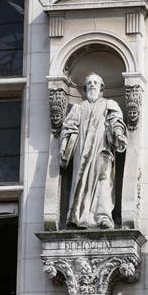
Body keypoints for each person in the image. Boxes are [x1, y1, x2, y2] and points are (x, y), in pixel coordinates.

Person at [59, 73, 128, 229]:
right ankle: (78, 216)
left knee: (103, 180)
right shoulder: (78, 107)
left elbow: (116, 122)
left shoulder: (109, 104)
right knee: (80, 182)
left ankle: (103, 216)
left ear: (101, 87)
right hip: (81, 152)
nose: (92, 85)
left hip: (102, 150)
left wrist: (118, 134)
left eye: (95, 82)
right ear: (85, 88)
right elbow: (69, 128)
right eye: (89, 82)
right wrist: (64, 147)